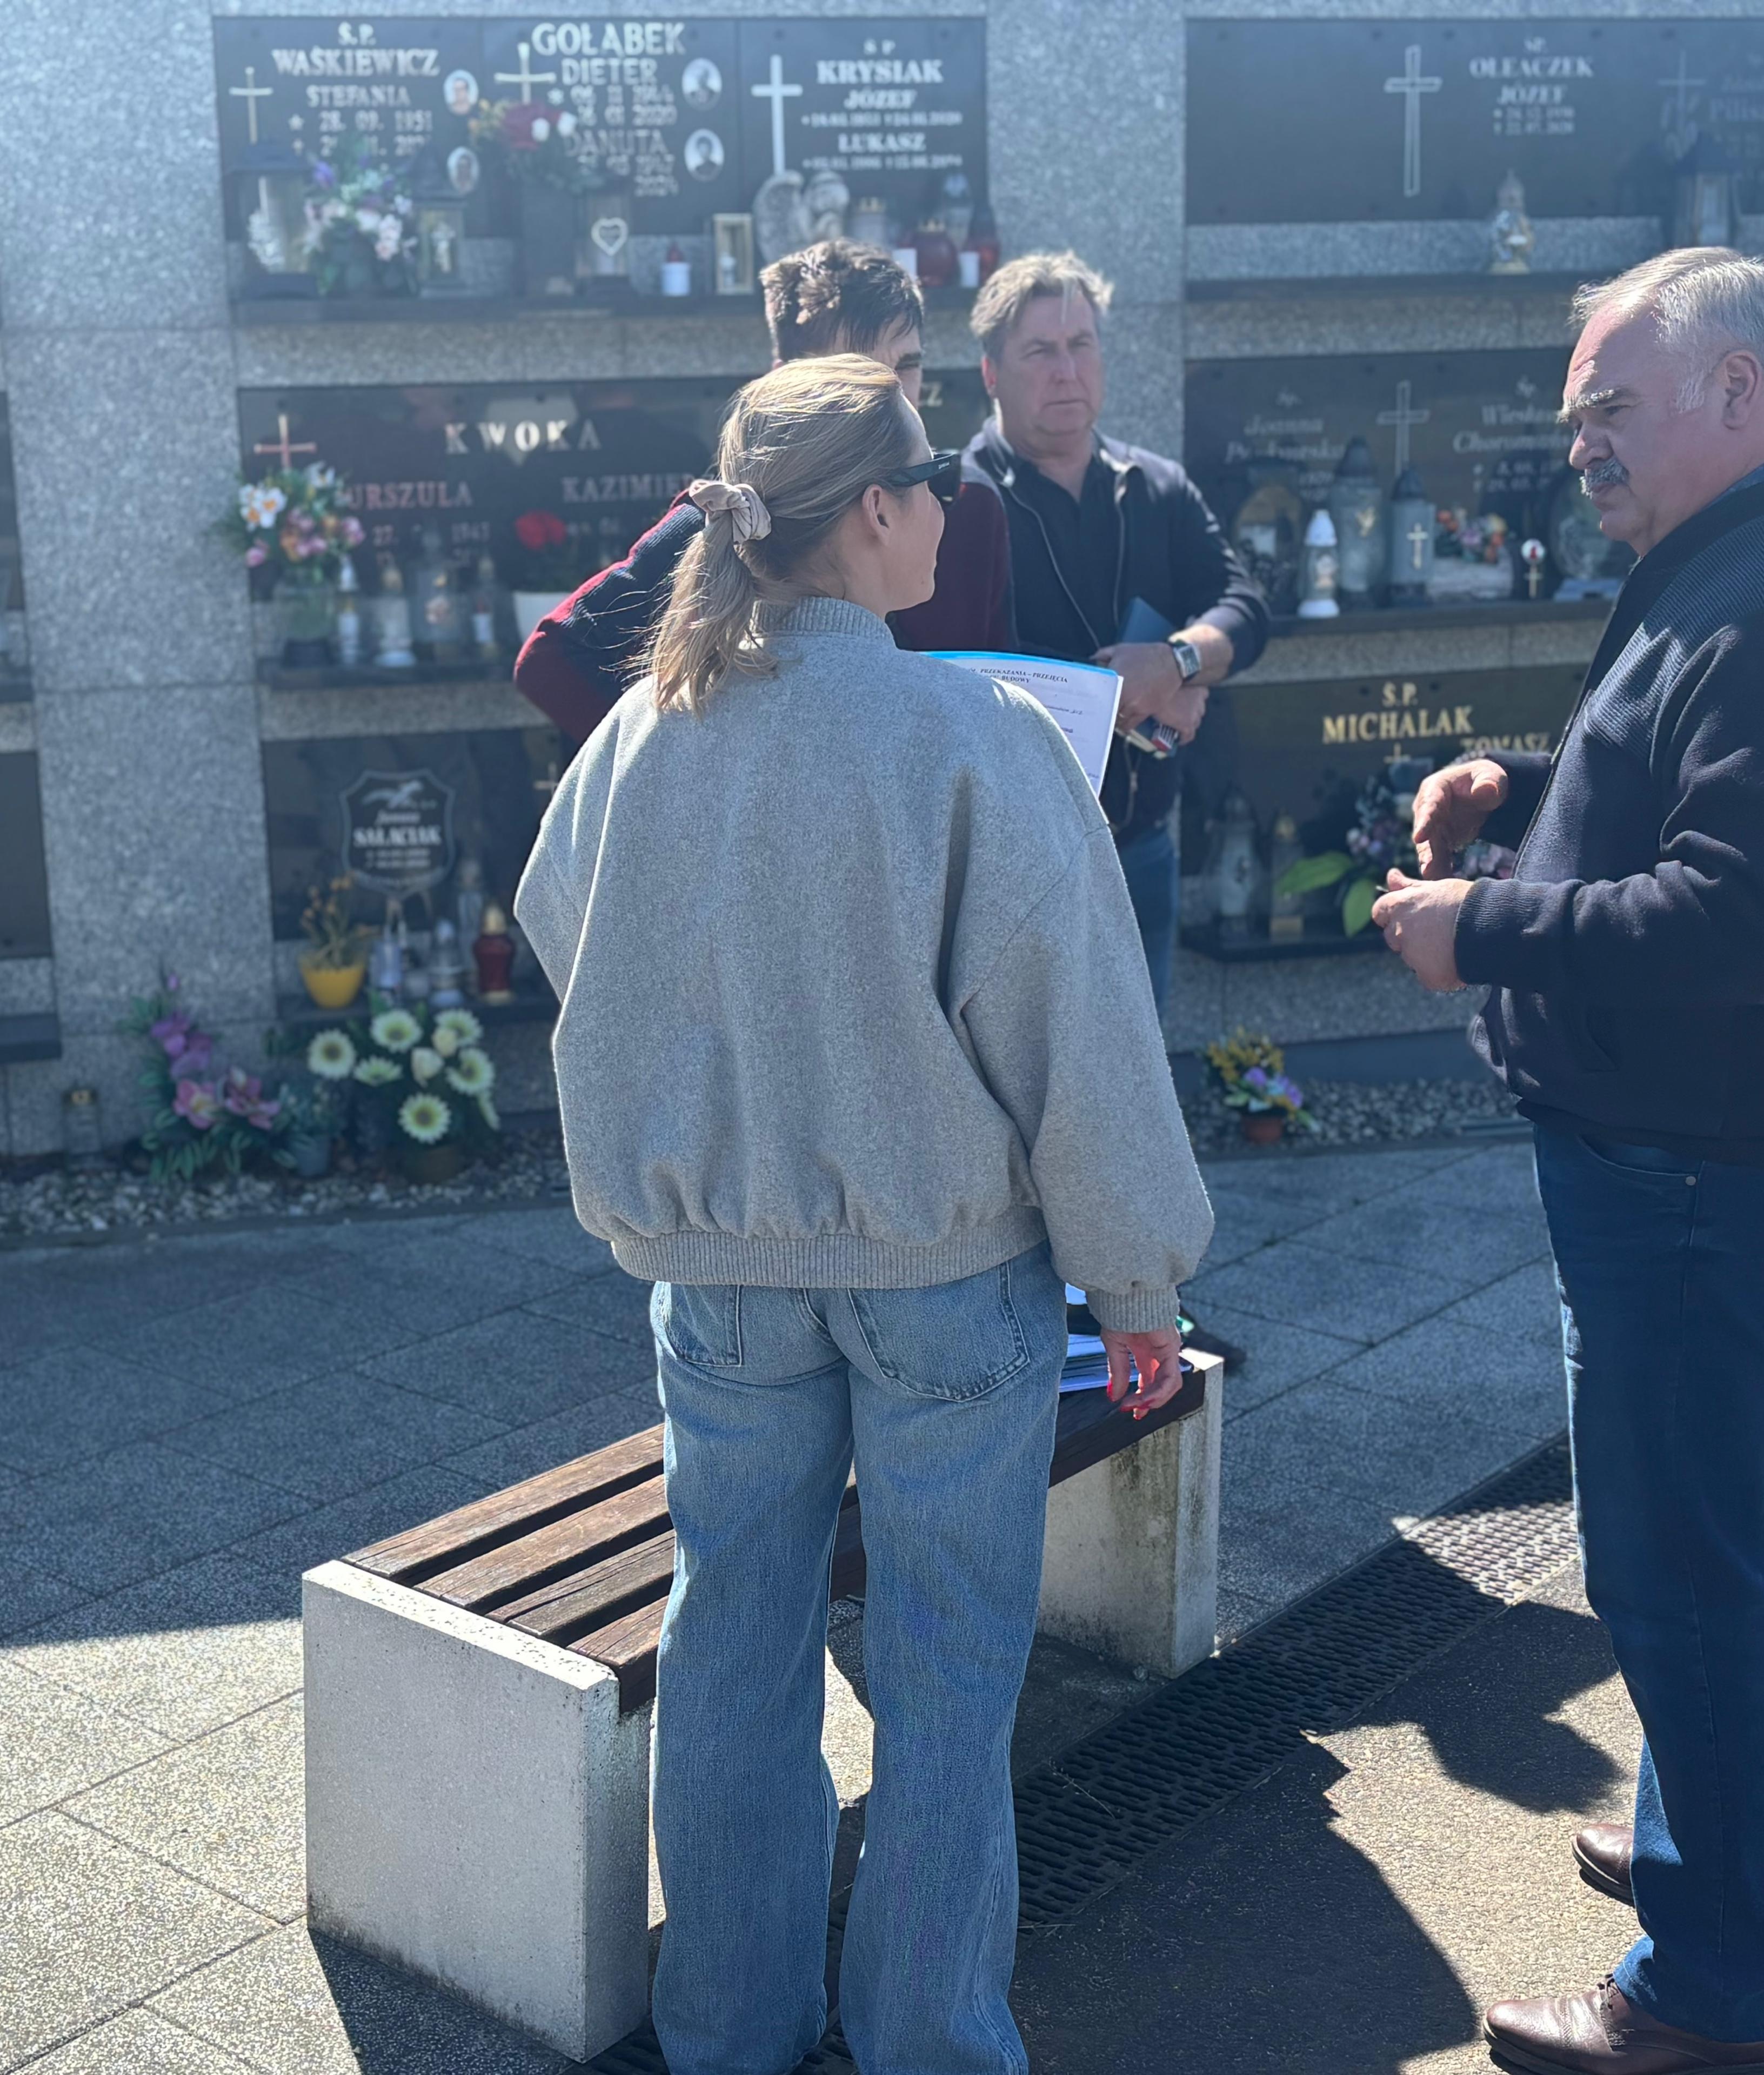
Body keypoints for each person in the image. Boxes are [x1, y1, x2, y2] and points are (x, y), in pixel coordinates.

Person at [517, 356, 1211, 2075]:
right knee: (947, 1669)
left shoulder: (637, 737)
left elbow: (562, 930)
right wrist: (1134, 1282)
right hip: (947, 1273)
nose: (954, 517)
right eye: (936, 491)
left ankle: (728, 2026)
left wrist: (713, 1091)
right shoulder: (971, 738)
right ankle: (924, 2038)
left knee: (731, 1641)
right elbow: (1079, 1041)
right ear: (879, 512)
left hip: (720, 1277)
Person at [1373, 250, 1764, 2075]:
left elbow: (1754, 915)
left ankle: (1703, 1997)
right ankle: (1753, 1868)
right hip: (1750, 1167)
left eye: (1612, 408)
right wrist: (1535, 795)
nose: (1585, 448)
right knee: (1759, 1528)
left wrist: (1484, 927)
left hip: (1709, 1182)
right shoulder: (1757, 562)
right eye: (1577, 420)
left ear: (1739, 390)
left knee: (1683, 1571)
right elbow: (1700, 798)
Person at [512, 239, 1013, 744]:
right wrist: (681, 757)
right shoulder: (733, 517)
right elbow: (552, 663)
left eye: (907, 365)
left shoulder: (969, 505)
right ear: (786, 383)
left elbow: (1007, 677)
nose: (894, 392)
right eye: (855, 372)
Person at [963, 252, 1270, 1007]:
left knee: (1141, 1075)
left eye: (1082, 345)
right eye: (1040, 351)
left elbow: (1244, 607)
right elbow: (976, 666)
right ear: (992, 373)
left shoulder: (1156, 485)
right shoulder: (959, 502)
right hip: (1012, 870)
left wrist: (1178, 662)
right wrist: (1132, 692)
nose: (1066, 371)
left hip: (1140, 854)